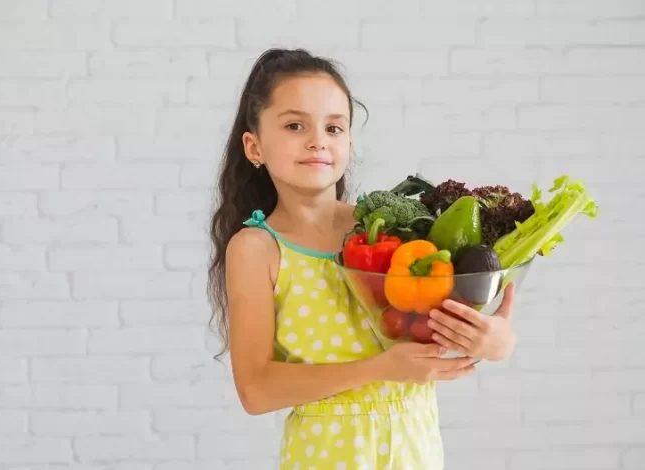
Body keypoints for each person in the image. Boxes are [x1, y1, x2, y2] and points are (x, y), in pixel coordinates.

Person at [206, 48, 518, 470]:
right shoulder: (256, 249)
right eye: (295, 125)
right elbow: (256, 390)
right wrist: (378, 368)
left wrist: (494, 342)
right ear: (254, 145)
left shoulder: (387, 230)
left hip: (416, 452)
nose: (318, 139)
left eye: (334, 127)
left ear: (349, 143)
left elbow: (439, 323)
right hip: (325, 457)